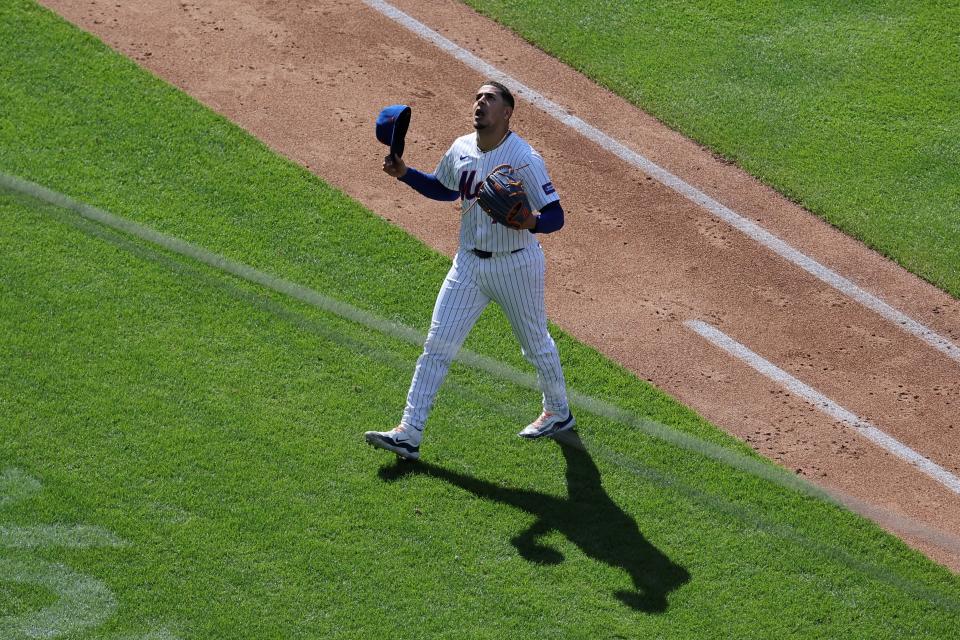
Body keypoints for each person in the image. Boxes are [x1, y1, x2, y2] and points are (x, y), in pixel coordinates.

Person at [365, 81, 573, 461]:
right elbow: (446, 190)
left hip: (517, 264)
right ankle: (409, 432)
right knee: (436, 346)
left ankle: (558, 412)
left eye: (490, 98)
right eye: (478, 97)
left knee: (535, 345)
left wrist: (530, 222)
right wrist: (406, 173)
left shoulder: (524, 158)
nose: (480, 103)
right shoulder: (461, 148)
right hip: (468, 266)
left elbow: (556, 217)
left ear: (507, 112)